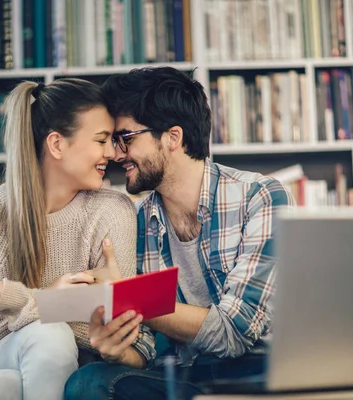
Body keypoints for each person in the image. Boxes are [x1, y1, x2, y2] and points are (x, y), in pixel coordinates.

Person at [64, 67, 296, 399]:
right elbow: (146, 349)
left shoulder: (260, 197)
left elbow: (235, 332)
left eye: (125, 138)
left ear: (173, 137)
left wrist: (129, 297)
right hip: (183, 376)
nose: (115, 154)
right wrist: (118, 349)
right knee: (89, 381)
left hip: (259, 372)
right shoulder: (136, 221)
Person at [0, 78, 154, 400]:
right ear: (56, 144)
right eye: (101, 140)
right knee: (49, 336)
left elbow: (119, 328)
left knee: (6, 386)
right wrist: (59, 305)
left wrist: (6, 297)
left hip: (45, 379)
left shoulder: (112, 211)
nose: (112, 152)